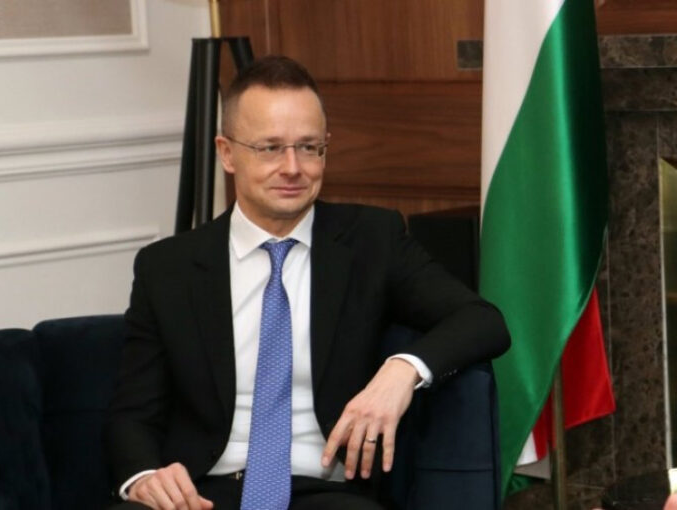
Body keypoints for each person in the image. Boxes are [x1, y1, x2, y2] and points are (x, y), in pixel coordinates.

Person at [106, 55, 510, 510]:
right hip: (200, 492)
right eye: (270, 148)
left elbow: (482, 321)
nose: (293, 167)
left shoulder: (371, 240)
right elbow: (133, 413)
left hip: (326, 491)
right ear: (226, 153)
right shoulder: (167, 267)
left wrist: (402, 370)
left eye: (309, 147)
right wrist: (144, 476)